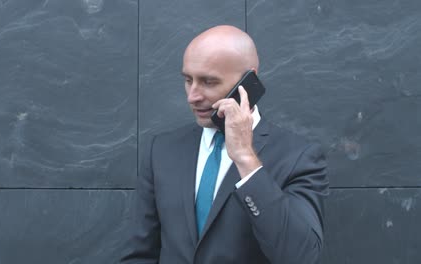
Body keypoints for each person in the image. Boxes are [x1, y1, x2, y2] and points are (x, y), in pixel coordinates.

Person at [119, 25, 329, 264]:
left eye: (208, 82)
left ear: (249, 80)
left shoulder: (298, 157)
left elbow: (300, 256)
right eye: (188, 80)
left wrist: (246, 160)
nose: (192, 96)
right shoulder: (162, 151)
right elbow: (139, 253)